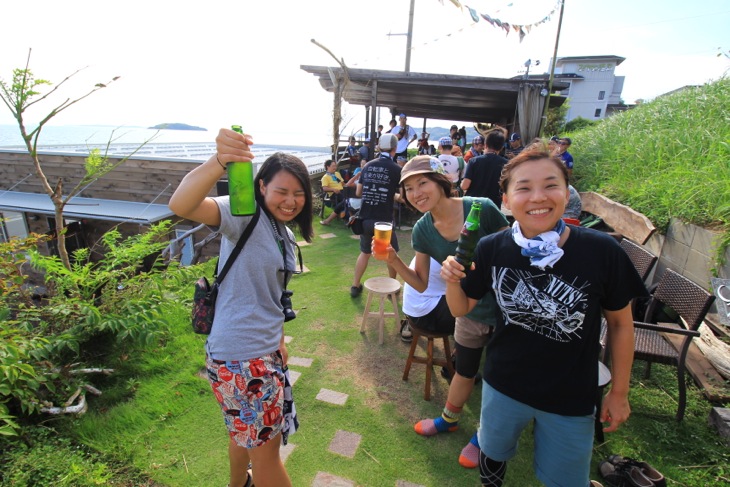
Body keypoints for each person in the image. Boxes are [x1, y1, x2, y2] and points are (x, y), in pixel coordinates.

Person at [440, 149, 647, 487]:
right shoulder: (493, 246)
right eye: (523, 188)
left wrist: (619, 392)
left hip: (571, 393)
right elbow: (460, 308)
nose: (538, 197)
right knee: (492, 454)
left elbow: (622, 324)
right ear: (506, 200)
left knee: (566, 480)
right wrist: (451, 280)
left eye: (551, 185)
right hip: (503, 383)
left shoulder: (601, 251)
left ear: (568, 194)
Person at [168, 128, 315, 487]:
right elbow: (182, 205)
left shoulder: (285, 233)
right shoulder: (244, 215)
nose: (290, 201)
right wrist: (218, 161)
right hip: (241, 358)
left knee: (244, 435)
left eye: (298, 194)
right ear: (260, 186)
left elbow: (273, 295)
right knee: (267, 455)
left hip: (258, 352)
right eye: (281, 191)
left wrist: (278, 339)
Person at [373, 155, 509, 469]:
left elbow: (513, 245)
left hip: (505, 308)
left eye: (422, 182)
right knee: (465, 369)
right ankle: (449, 419)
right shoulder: (422, 230)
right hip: (467, 311)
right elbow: (420, 284)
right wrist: (393, 260)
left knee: (499, 378)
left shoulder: (480, 208)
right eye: (408, 188)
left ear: (440, 181)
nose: (416, 192)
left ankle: (484, 438)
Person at [350, 132, 403, 298]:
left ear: (379, 147)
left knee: (365, 252)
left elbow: (359, 192)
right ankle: (391, 290)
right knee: (390, 255)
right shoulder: (397, 169)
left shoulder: (367, 166)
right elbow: (402, 197)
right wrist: (391, 195)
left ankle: (355, 286)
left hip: (365, 218)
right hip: (384, 223)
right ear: (394, 149)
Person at [401, 256, 456, 342]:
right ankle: (461, 345)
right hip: (425, 315)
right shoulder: (448, 256)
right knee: (468, 306)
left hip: (413, 309)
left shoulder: (430, 248)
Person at [461, 129, 507, 209]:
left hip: (472, 205)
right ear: (501, 148)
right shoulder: (506, 164)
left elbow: (465, 186)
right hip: (493, 207)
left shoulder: (474, 161)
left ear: (485, 145)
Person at [320, 159, 347, 226]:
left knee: (347, 200)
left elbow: (343, 184)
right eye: (333, 166)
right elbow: (324, 188)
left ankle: (329, 220)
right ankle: (329, 220)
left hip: (343, 191)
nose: (335, 167)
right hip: (335, 194)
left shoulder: (337, 174)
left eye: (335, 166)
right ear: (327, 167)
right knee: (346, 201)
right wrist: (333, 189)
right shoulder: (325, 177)